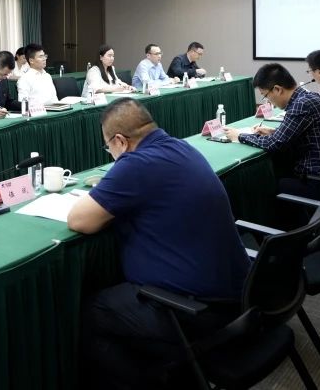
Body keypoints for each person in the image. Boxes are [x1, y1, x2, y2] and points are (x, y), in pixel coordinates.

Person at [68, 99, 249, 388]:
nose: (111, 153)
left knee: (90, 313)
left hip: (197, 311)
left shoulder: (136, 164)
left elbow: (80, 221)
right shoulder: (182, 147)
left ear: (120, 141)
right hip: (237, 296)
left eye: (108, 147)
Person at [225, 63, 320, 199]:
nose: (268, 101)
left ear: (277, 89)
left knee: (261, 185)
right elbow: (296, 134)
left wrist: (240, 136)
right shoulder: (309, 97)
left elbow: (274, 144)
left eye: (265, 95)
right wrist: (273, 132)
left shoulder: (301, 105)